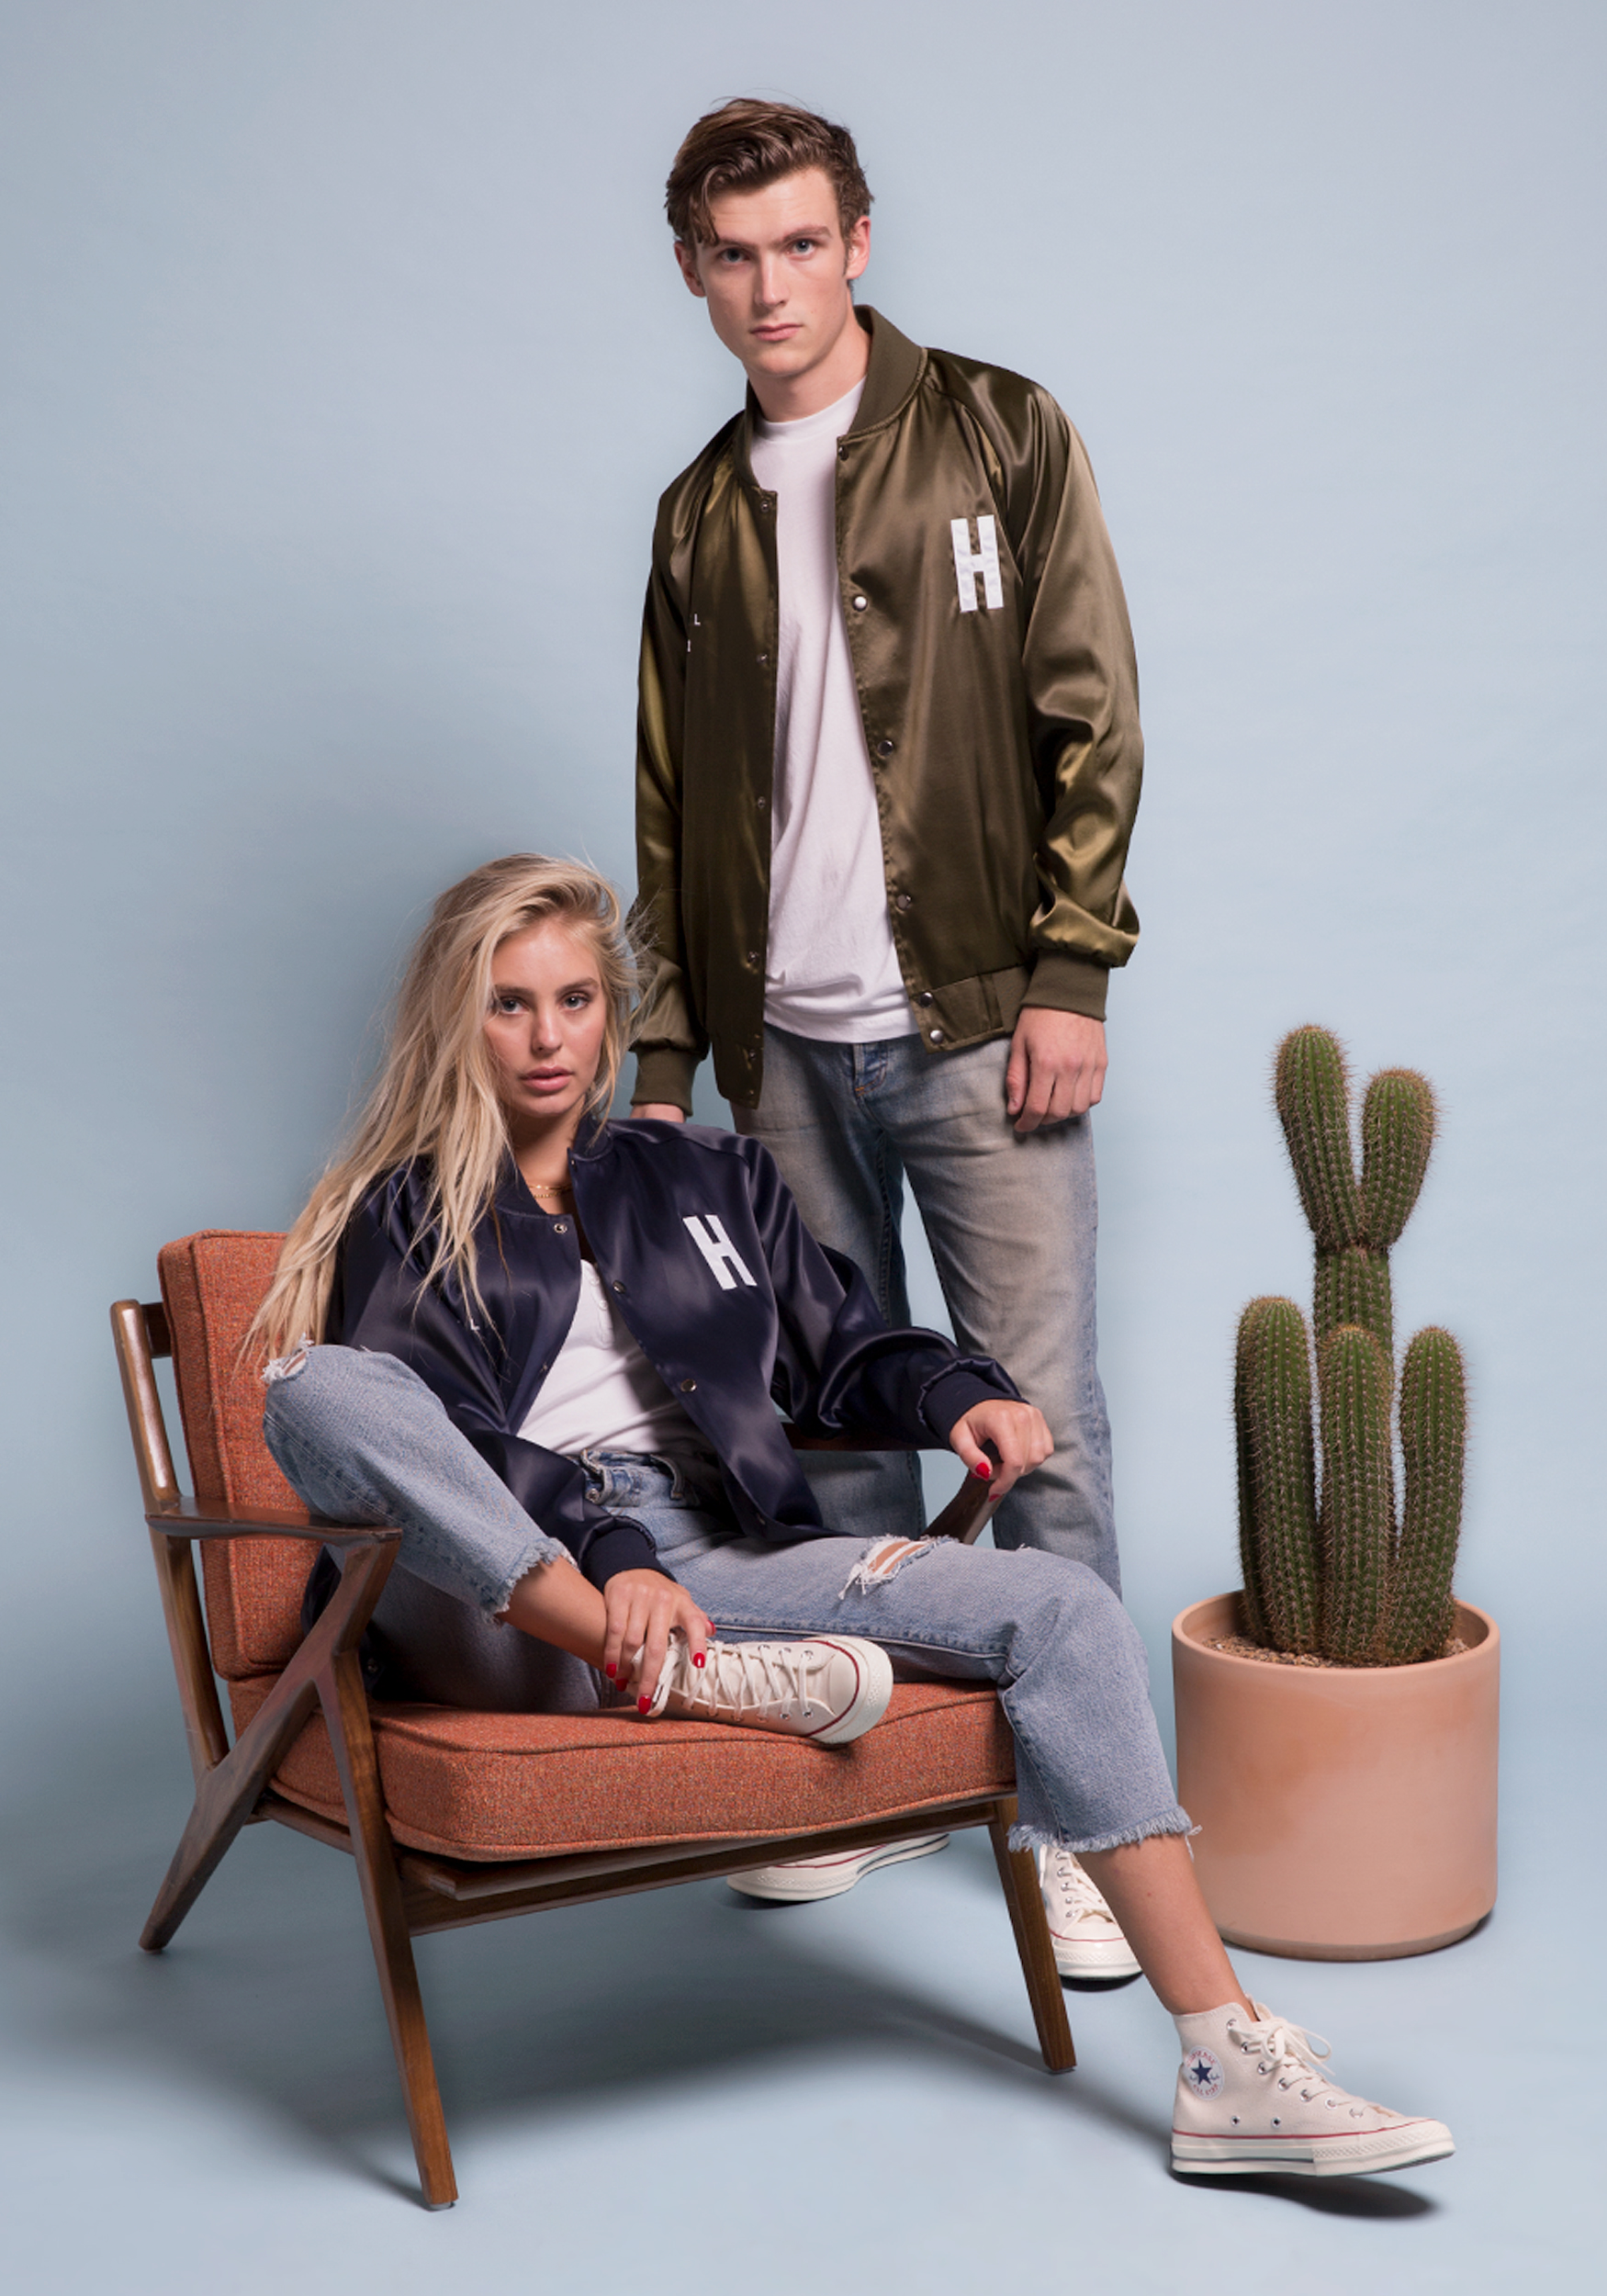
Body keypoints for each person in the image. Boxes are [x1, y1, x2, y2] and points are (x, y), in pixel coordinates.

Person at [253, 854, 1453, 2182]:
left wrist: (952, 1391)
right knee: (319, 1387)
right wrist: (609, 1557)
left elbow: (838, 1343)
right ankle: (659, 1658)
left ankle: (1225, 2062)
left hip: (717, 1564)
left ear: (613, 1014)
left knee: (1060, 1607)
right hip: (505, 1601)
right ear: (457, 1022)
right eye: (509, 1004)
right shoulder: (407, 1210)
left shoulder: (702, 1175)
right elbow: (457, 1444)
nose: (548, 1038)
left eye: (575, 1000)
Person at [631, 96, 1141, 1935]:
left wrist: (1069, 968)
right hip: (774, 1054)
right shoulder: (698, 513)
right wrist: (667, 1061)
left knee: (1037, 1423)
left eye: (798, 243)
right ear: (692, 272)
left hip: (979, 1027)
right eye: (732, 255)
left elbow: (1090, 709)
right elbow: (670, 805)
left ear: (856, 242)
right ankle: (885, 1782)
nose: (769, 286)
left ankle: (1084, 1825)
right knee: (830, 1435)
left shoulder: (998, 430)